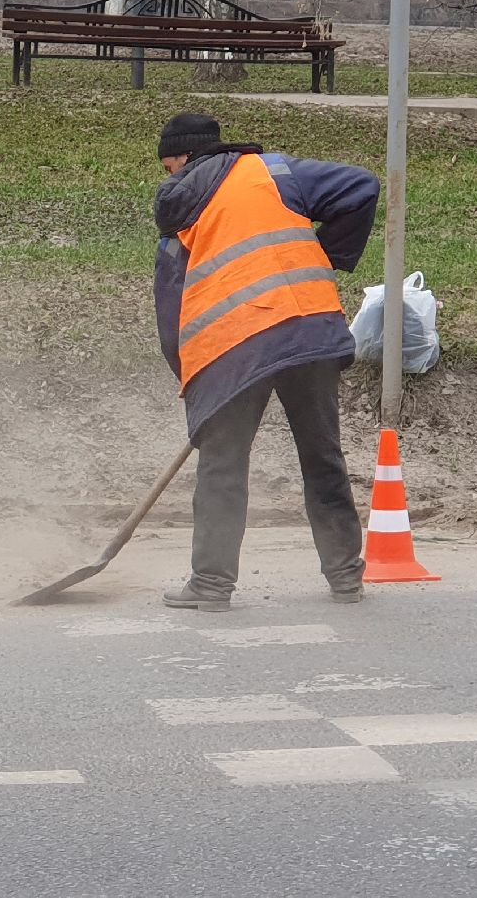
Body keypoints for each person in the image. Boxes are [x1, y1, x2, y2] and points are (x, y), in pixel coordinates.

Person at [151, 113, 380, 611]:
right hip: (307, 330)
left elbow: (171, 310)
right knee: (322, 457)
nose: (171, 178)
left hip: (234, 350)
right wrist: (326, 257)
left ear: (185, 157)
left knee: (223, 465)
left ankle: (211, 586)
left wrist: (192, 381)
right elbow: (361, 186)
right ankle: (346, 577)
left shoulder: (179, 218)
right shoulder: (275, 172)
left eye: (170, 167)